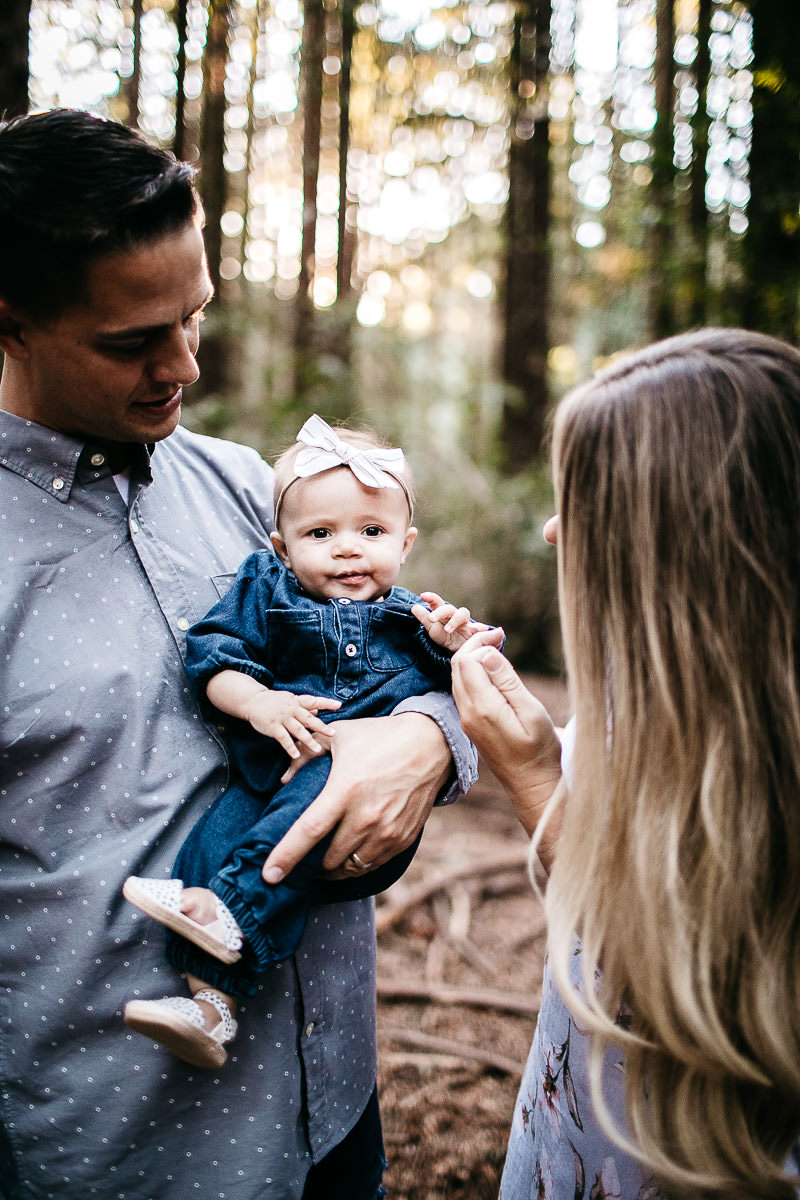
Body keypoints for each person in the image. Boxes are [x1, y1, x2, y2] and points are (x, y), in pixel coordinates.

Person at [0, 108, 476, 1200]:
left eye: (195, 315)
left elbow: (397, 650)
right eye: (133, 340)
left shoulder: (248, 489)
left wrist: (425, 739)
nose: (184, 365)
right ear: (10, 321)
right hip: (124, 1150)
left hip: (332, 1107)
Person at [442, 330, 800, 1200]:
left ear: (687, 543)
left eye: (586, 503)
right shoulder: (631, 707)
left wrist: (535, 784)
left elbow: (686, 1000)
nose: (553, 529)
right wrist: (536, 762)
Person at [122, 414, 498, 1069]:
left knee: (275, 839)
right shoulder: (263, 591)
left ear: (405, 543)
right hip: (268, 778)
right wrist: (259, 701)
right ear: (282, 545)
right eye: (321, 533)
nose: (348, 549)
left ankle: (232, 908)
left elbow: (473, 694)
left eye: (372, 531)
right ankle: (209, 1006)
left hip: (348, 793)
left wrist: (455, 646)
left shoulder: (414, 619)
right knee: (211, 840)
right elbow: (214, 660)